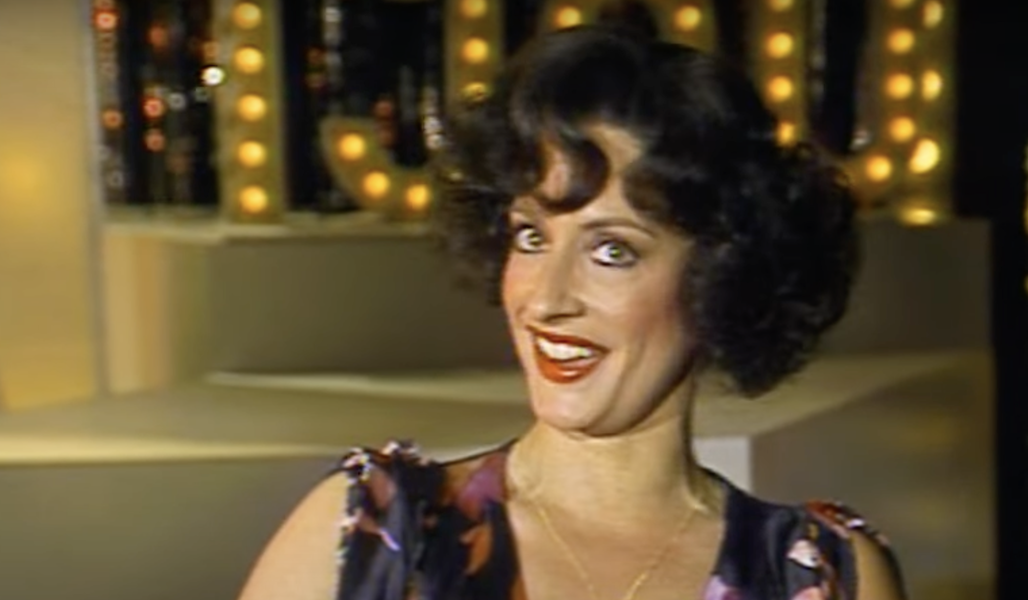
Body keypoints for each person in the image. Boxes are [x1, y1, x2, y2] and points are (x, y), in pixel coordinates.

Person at [239, 25, 906, 600]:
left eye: (612, 250)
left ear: (722, 277)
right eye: (532, 237)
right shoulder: (374, 536)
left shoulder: (818, 575)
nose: (547, 299)